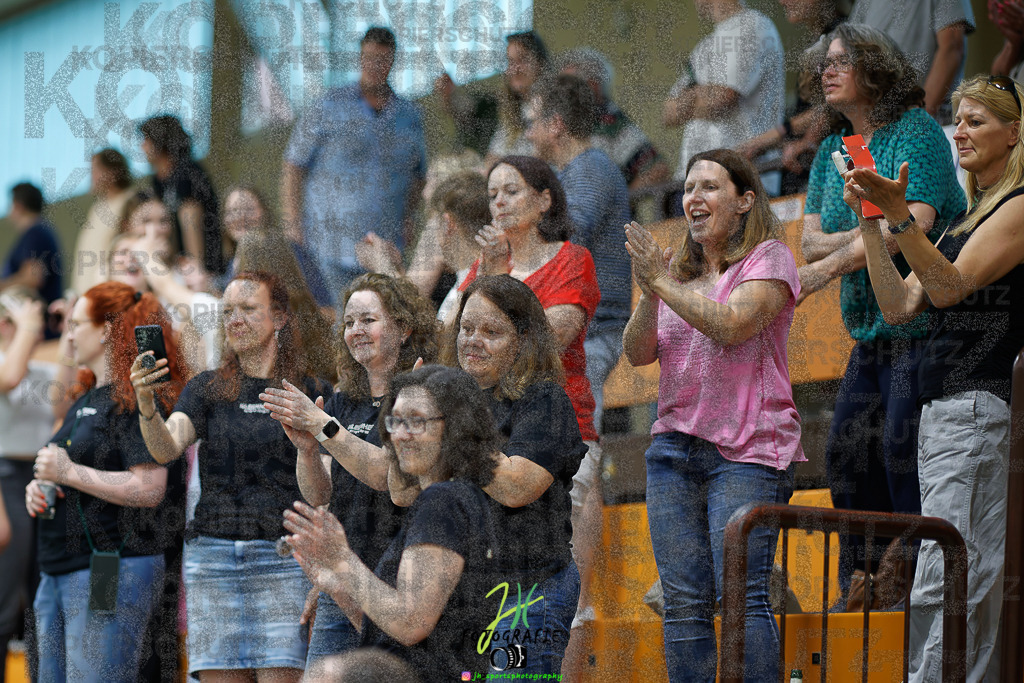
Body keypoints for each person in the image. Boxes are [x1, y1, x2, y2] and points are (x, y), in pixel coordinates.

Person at [845, 73, 1024, 683]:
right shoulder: (964, 219)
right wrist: (873, 221)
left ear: (1015, 133)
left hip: (975, 402)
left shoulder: (1018, 206)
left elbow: (947, 289)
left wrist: (901, 215)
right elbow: (898, 306)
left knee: (950, 571)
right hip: (945, 408)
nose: (963, 131)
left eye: (977, 120)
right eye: (959, 120)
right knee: (953, 567)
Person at [796, 23, 966, 601]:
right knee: (844, 453)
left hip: (926, 329)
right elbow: (809, 239)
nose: (828, 70)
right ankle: (862, 584)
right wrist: (859, 236)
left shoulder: (916, 132)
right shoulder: (830, 151)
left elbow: (911, 224)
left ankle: (913, 585)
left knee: (899, 449)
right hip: (871, 335)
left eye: (843, 60)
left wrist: (829, 262)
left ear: (875, 68)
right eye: (824, 63)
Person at [622, 149, 803, 682]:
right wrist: (652, 288)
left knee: (740, 596)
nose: (693, 198)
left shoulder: (769, 258)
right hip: (673, 451)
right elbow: (636, 353)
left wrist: (661, 283)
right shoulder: (676, 274)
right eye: (688, 188)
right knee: (682, 602)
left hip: (748, 451)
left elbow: (730, 326)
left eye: (708, 187)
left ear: (745, 200)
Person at [129, 271, 330, 681]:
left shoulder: (309, 391)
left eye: (248, 310)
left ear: (280, 318)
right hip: (212, 556)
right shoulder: (207, 388)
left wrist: (307, 450)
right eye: (228, 312)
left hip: (284, 556)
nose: (235, 319)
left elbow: (324, 491)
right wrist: (147, 405)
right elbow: (166, 447)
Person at [282, 365, 501, 675]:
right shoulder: (452, 498)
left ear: (455, 427)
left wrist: (343, 560)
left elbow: (411, 624)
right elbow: (391, 634)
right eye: (395, 420)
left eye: (416, 421)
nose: (399, 434)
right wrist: (337, 584)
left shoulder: (443, 502)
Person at [265, 273, 437, 667]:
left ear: (404, 327)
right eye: (348, 323)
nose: (356, 331)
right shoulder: (345, 398)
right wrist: (308, 450)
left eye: (368, 320)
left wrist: (322, 426)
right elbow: (319, 494)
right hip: (342, 577)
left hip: (395, 579)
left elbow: (386, 474)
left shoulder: (419, 395)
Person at [25, 282, 184, 682]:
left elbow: (150, 488)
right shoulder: (84, 395)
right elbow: (66, 472)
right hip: (58, 568)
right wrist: (43, 486)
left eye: (76, 324)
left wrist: (68, 473)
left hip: (109, 566)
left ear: (106, 330)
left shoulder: (135, 396)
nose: (69, 334)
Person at [440, 275, 588, 675]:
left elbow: (516, 486)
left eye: (491, 332)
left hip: (528, 592)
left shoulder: (544, 400)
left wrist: (452, 421)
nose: (472, 340)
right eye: (466, 328)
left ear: (523, 341)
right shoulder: (447, 403)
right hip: (460, 595)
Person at [459, 155, 600, 445]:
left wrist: (497, 278)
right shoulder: (484, 264)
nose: (499, 202)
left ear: (544, 201)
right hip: (490, 424)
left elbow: (547, 340)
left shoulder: (572, 259)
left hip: (557, 422)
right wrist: (491, 271)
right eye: (492, 195)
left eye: (511, 192)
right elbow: (455, 337)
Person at [282, 26, 427, 295]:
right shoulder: (327, 105)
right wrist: (293, 225)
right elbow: (294, 165)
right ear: (360, 58)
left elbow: (419, 175)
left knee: (380, 322)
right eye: (370, 58)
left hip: (384, 250)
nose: (376, 65)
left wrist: (408, 218)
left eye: (383, 59)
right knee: (335, 323)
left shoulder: (410, 116)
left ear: (393, 61)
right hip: (328, 246)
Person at [663, 0, 784, 196]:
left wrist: (691, 94)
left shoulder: (753, 26)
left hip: (741, 181)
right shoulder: (704, 46)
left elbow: (723, 98)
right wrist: (704, 94)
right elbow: (668, 114)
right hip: (694, 182)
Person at [0, 289, 54, 679]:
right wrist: (27, 324)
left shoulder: (42, 364)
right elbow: (10, 375)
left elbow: (67, 391)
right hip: (4, 479)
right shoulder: (9, 364)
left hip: (40, 476)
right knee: (4, 598)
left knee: (42, 596)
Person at [556, 47, 670, 189]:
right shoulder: (561, 122)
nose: (560, 94)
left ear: (593, 85)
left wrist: (619, 203)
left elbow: (658, 169)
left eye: (568, 86)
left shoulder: (611, 122)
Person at [847, 0, 974, 124]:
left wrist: (918, 120)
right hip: (874, 125)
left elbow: (951, 48)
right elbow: (851, 52)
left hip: (929, 125)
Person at [220, 185, 332, 308]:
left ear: (265, 212)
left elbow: (328, 310)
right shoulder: (232, 263)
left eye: (248, 209)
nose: (241, 217)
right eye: (232, 211)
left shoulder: (290, 251)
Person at [140, 115, 223, 275]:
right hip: (179, 266)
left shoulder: (188, 172)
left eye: (146, 140)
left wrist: (195, 269)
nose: (142, 146)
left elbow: (191, 221)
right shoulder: (158, 180)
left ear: (159, 141)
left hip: (204, 266)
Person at [72, 149, 134, 294]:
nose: (92, 176)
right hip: (85, 292)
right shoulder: (96, 208)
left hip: (109, 292)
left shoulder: (129, 201)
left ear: (112, 172)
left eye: (96, 170)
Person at [2, 183, 63, 319]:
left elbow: (33, 277)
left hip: (40, 326)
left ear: (18, 205)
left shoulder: (35, 233)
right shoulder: (41, 231)